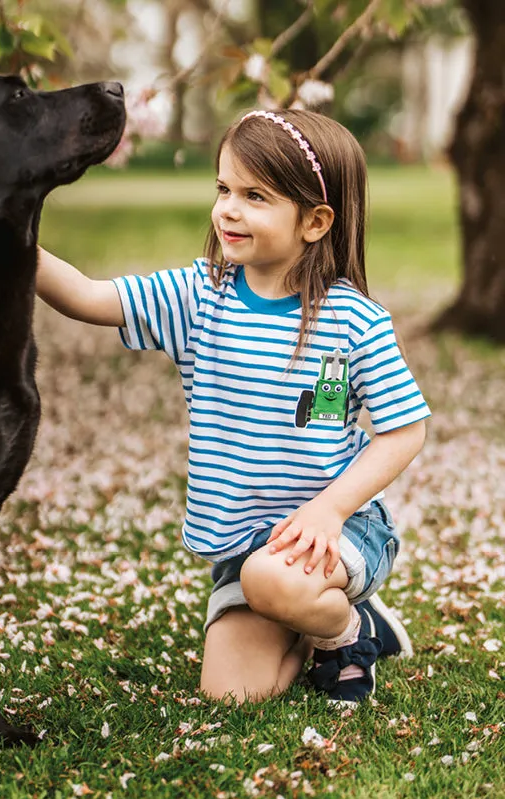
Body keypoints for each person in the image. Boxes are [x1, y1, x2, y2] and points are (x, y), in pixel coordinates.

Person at [36, 109, 428, 707]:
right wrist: (9, 241)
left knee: (271, 578)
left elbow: (405, 432)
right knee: (231, 695)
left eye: (255, 195)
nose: (228, 209)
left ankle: (349, 632)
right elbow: (87, 296)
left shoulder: (354, 320)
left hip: (338, 532)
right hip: (245, 550)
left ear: (315, 221)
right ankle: (311, 622)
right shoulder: (198, 296)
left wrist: (328, 511)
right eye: (223, 188)